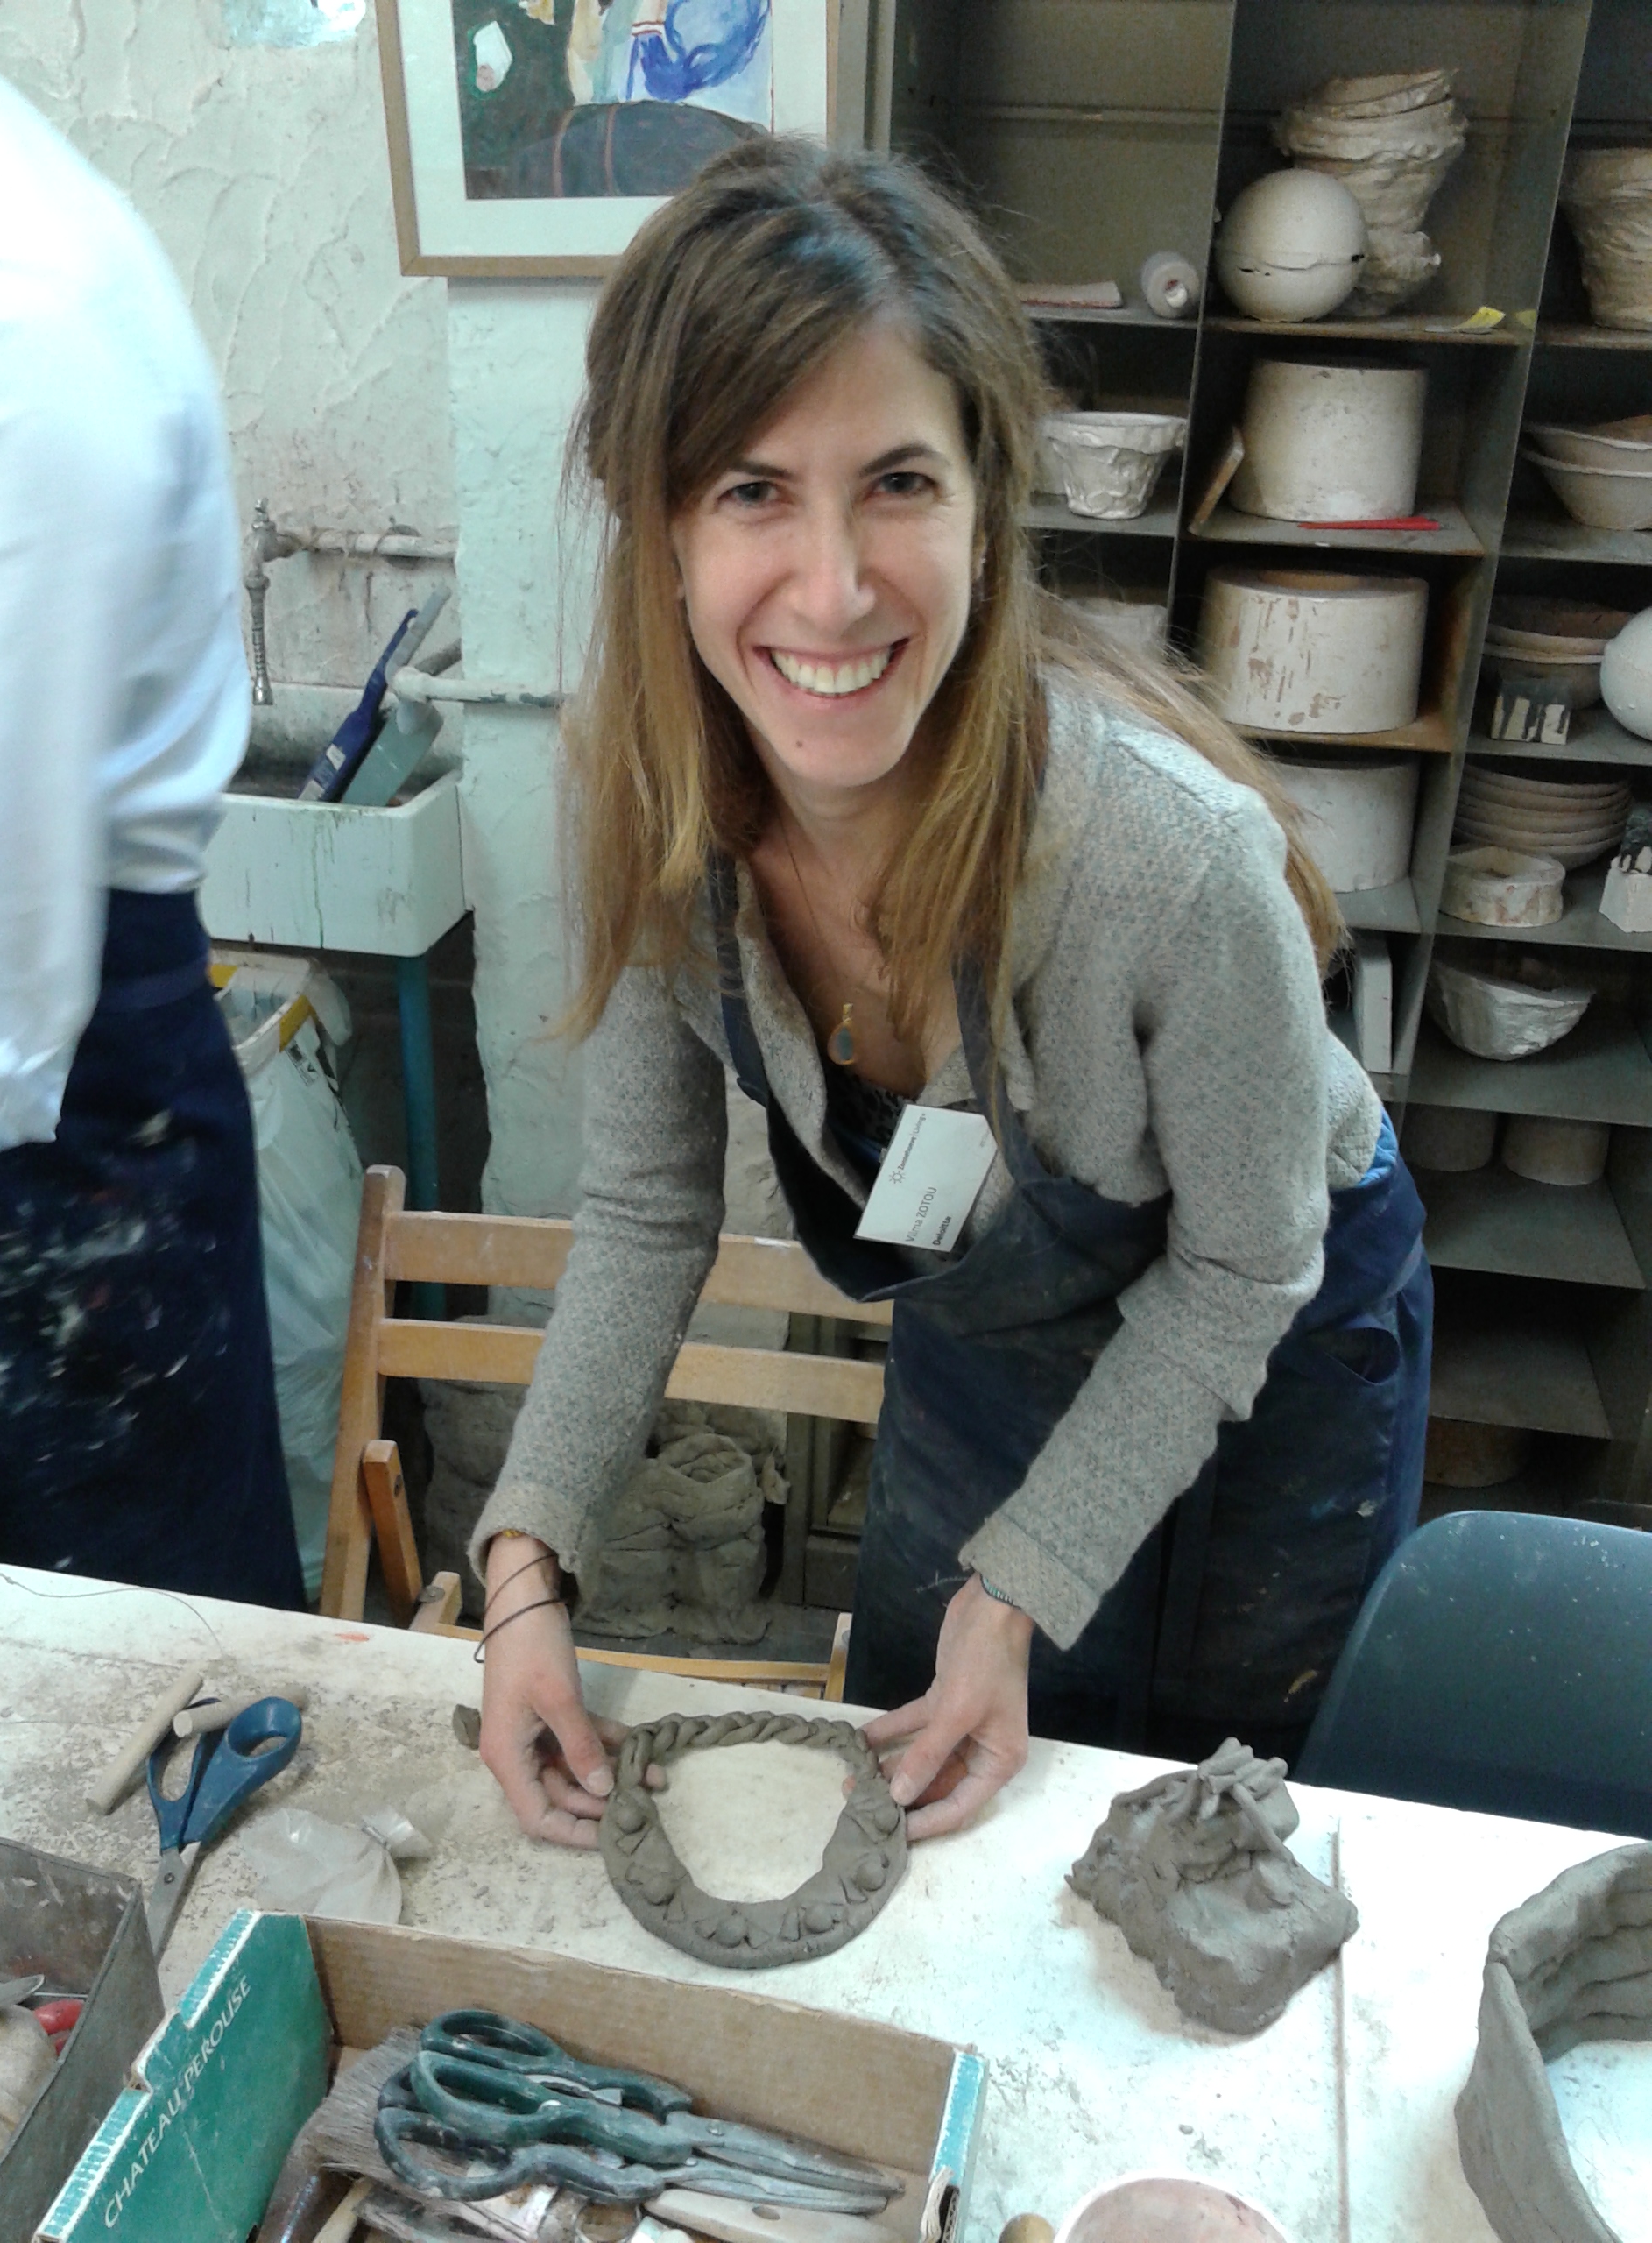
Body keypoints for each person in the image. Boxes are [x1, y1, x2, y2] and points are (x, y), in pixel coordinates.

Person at [469, 138, 1431, 1848]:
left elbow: (1245, 1264)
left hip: (1272, 1308)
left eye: (898, 482)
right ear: (658, 526)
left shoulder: (1171, 862)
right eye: (752, 490)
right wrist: (526, 1563)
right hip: (993, 1312)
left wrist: (1028, 1582)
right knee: (930, 1764)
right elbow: (643, 1208)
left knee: (1215, 1813)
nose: (835, 588)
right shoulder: (654, 815)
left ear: (988, 501)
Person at [0, 32, 305, 1610]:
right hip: (37, 1074)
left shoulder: (23, 305)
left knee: (133, 1695)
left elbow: (0, 978)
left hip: (48, 1129)